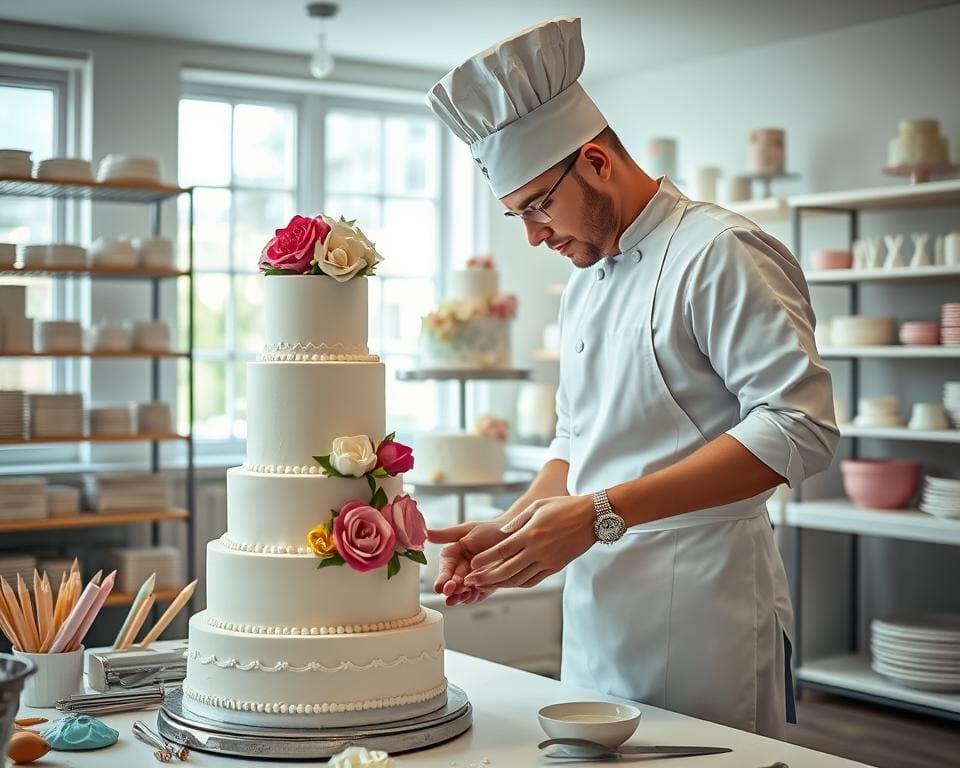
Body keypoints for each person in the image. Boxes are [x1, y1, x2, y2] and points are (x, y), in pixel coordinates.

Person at [425, 16, 839, 737]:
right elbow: (578, 440)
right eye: (516, 214)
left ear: (595, 161)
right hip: (596, 618)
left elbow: (800, 428)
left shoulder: (719, 251)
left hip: (708, 615)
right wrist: (517, 527)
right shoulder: (586, 274)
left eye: (537, 206)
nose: (533, 235)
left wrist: (597, 516)